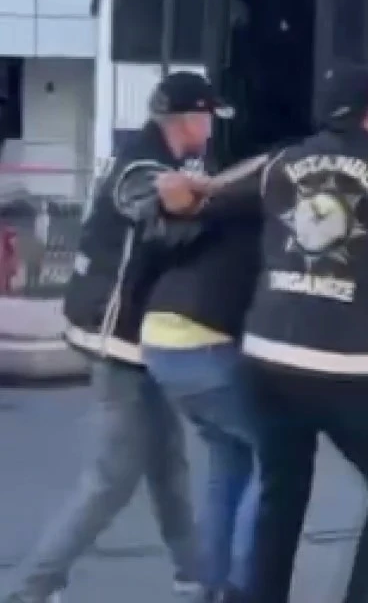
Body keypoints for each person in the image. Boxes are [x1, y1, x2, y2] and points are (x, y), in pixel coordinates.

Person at [167, 65, 368, 601]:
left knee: (283, 489)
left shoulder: (280, 164)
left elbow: (208, 201)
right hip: (343, 366)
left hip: (266, 357)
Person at [3, 72, 217, 603]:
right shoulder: (142, 167)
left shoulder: (150, 157)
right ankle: (30, 588)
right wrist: (206, 198)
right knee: (112, 477)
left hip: (138, 340)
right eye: (209, 117)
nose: (212, 128)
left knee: (168, 464)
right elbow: (151, 199)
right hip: (115, 338)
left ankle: (194, 577)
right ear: (189, 119)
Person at [140, 119, 298, 601]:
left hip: (160, 339)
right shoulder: (271, 205)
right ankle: (245, 587)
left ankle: (207, 585)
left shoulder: (227, 198)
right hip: (201, 342)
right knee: (278, 456)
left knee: (230, 460)